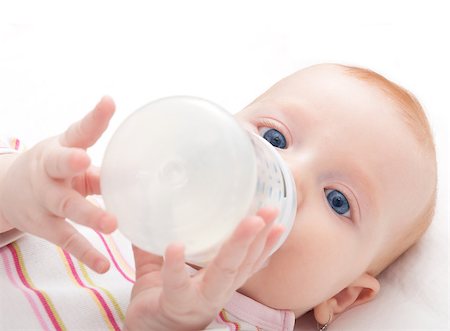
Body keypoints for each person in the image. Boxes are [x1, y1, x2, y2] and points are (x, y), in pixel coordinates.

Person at [0, 63, 437, 330]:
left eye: (338, 199)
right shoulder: (107, 199)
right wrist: (17, 189)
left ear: (340, 296)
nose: (290, 175)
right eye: (274, 137)